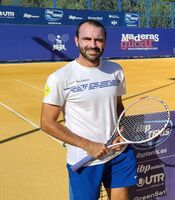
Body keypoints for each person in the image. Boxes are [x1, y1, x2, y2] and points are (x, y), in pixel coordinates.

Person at [40, 20, 137, 200]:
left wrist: (122, 131)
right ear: (77, 41)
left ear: (105, 42)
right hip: (84, 159)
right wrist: (88, 145)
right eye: (87, 39)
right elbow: (46, 122)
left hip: (118, 153)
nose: (93, 45)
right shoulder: (60, 78)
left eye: (99, 40)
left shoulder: (116, 70)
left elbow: (118, 106)